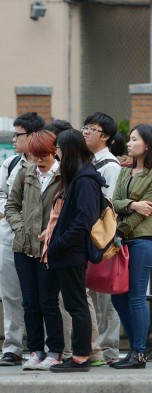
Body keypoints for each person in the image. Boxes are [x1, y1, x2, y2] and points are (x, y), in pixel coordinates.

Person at [44, 129, 105, 372]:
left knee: (77, 305)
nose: (55, 152)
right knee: (63, 302)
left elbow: (84, 219)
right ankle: (76, 354)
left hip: (71, 252)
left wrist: (60, 243)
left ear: (68, 149)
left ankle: (81, 356)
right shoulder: (76, 177)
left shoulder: (85, 179)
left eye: (57, 148)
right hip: (63, 252)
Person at [110, 124, 152, 369]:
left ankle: (139, 353)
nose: (129, 143)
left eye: (134, 140)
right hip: (122, 241)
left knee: (135, 296)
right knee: (117, 297)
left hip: (142, 241)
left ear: (148, 144)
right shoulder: (126, 170)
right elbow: (114, 201)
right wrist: (132, 205)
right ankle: (147, 339)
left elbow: (147, 212)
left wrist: (120, 230)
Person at [5, 130, 65, 371]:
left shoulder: (64, 175)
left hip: (49, 249)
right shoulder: (24, 172)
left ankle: (55, 351)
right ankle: (36, 350)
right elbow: (11, 206)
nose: (39, 161)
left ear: (53, 151)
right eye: (35, 156)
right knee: (29, 302)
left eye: (43, 156)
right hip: (24, 247)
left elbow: (69, 210)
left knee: (48, 301)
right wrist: (21, 229)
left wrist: (53, 232)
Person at [0, 112, 43, 367]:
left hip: (40, 239)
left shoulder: (50, 162)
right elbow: (2, 196)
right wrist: (14, 218)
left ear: (33, 135)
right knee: (12, 295)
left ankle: (48, 347)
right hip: (11, 238)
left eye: (19, 134)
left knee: (44, 297)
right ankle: (13, 347)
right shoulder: (11, 164)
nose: (14, 139)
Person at [81, 112, 122, 365]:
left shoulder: (110, 166)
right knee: (91, 295)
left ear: (105, 136)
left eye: (91, 129)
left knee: (105, 298)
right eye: (84, 127)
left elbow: (110, 207)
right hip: (88, 239)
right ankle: (95, 347)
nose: (85, 132)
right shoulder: (88, 162)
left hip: (103, 241)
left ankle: (109, 350)